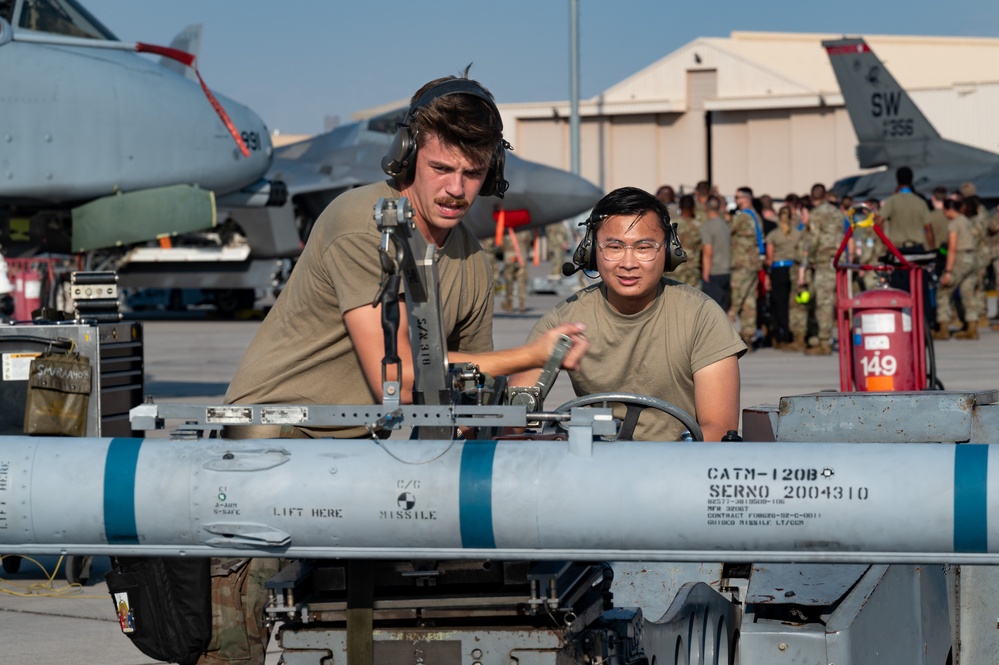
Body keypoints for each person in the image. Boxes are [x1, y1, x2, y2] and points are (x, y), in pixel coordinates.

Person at [211, 74, 589, 665]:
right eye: (441, 168)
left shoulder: (469, 258)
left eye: (472, 173)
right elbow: (401, 377)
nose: (456, 189)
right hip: (268, 450)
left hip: (356, 454)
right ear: (407, 157)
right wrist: (532, 353)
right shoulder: (363, 222)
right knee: (236, 646)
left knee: (356, 632)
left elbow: (468, 403)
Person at [511, 187, 746, 442]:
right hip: (593, 469)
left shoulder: (702, 317)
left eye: (643, 247)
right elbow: (512, 418)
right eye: (614, 247)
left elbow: (719, 429)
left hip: (679, 470)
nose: (628, 263)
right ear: (590, 251)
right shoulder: (563, 321)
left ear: (668, 250)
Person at [803, 183, 842, 356]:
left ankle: (825, 342)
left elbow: (813, 240)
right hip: (839, 261)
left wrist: (807, 261)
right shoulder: (837, 212)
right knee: (835, 301)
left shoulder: (815, 215)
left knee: (824, 303)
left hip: (823, 262)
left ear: (812, 198)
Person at [935, 198, 982, 340]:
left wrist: (948, 272)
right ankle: (972, 328)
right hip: (972, 258)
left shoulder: (953, 224)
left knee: (943, 292)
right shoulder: (966, 220)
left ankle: (943, 329)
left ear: (949, 209)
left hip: (960, 258)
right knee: (967, 292)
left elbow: (952, 248)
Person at [729, 186, 765, 347]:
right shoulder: (756, 216)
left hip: (742, 264)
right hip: (753, 264)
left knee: (736, 299)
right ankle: (749, 336)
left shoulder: (742, 217)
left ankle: (725, 335)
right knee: (749, 300)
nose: (735, 201)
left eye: (737, 198)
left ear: (746, 198)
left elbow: (728, 229)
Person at [765, 205, 802, 348]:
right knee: (793, 303)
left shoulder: (774, 235)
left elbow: (769, 257)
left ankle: (783, 334)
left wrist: (768, 275)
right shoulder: (798, 234)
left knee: (780, 304)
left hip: (778, 269)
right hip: (793, 268)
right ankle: (795, 333)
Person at [699, 194, 731, 310]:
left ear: (706, 207)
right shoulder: (725, 224)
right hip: (726, 270)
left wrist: (705, 274)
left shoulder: (708, 226)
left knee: (713, 310)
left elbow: (708, 252)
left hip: (714, 272)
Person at [671, 194, 702, 288]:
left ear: (679, 206)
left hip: (674, 269)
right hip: (692, 269)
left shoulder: (671, 225)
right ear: (693, 207)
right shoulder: (699, 226)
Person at [501, 227, 533, 312]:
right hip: (521, 258)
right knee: (522, 282)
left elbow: (502, 245)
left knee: (509, 281)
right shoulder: (525, 231)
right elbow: (528, 243)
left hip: (509, 257)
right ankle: (522, 304)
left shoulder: (507, 230)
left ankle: (509, 304)